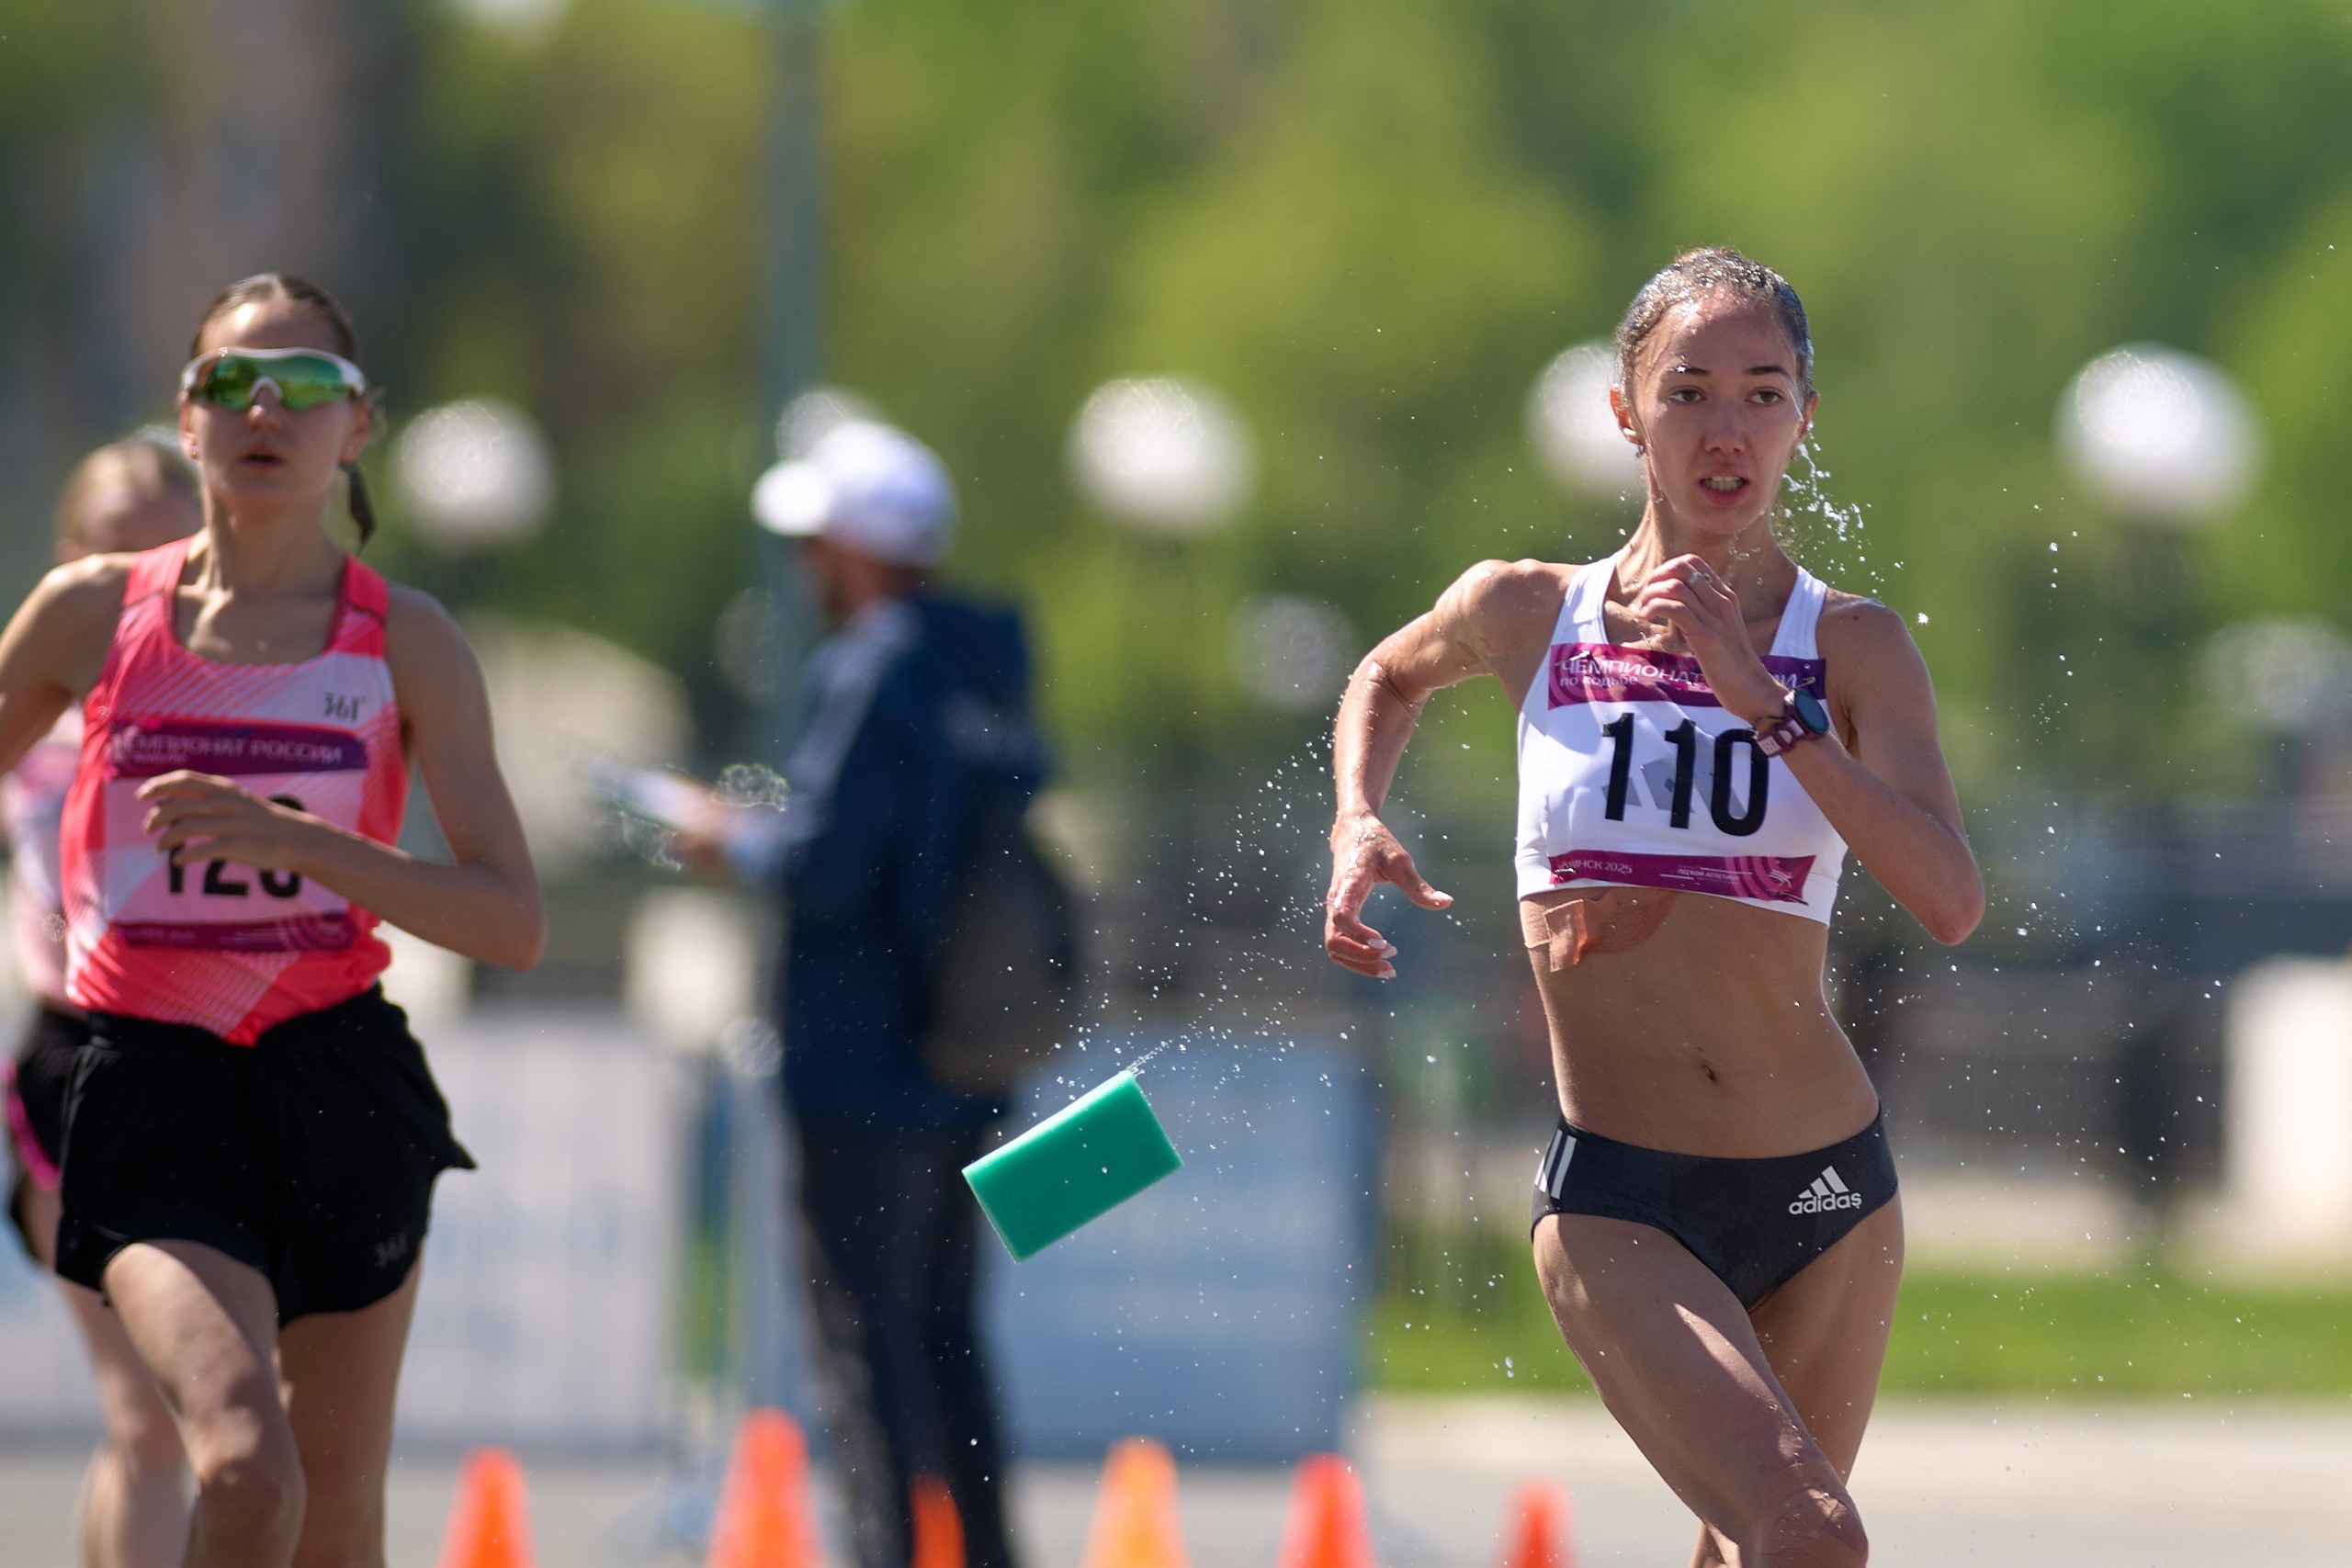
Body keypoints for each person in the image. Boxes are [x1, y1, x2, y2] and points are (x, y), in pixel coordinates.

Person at [1323, 249, 1982, 1567]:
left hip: (1829, 1190)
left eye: (1762, 392)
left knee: (1756, 1549)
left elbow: (1949, 897)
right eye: (1688, 392)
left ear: (1807, 415)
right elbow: (1388, 676)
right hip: (1625, 1195)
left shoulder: (1850, 646)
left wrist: (1766, 704)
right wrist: (1357, 814)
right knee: (1809, 1530)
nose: (1726, 430)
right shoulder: (1528, 610)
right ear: (1625, 413)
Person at [0, 273, 543, 1568]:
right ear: (186, 421)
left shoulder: (406, 641)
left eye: (305, 386)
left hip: (336, 1079)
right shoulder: (92, 613)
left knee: (337, 1516)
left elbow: (512, 917)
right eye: (229, 382)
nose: (264, 405)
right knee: (241, 1462)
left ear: (358, 429)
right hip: (145, 1083)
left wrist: (303, 844)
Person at [680, 419, 1034, 1568]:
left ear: (854, 548)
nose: (803, 569)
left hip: (858, 1064)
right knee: (946, 1335)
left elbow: (832, 866)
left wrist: (725, 839)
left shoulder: (868, 668)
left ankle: (885, 1553)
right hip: (971, 1057)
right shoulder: (987, 665)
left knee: (862, 1342)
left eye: (813, 543)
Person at [4, 435, 201, 1567]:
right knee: (147, 1424)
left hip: (216, 1067)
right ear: (69, 560)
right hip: (72, 1071)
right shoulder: (38, 710)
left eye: (163, 550)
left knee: (187, 1425)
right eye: (111, 551)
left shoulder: (246, 702)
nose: (136, 577)